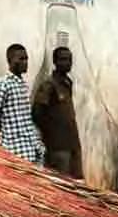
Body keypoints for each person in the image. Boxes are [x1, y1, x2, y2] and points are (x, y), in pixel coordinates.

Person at [0, 43, 43, 165]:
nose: (25, 62)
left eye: (26, 58)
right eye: (21, 59)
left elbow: (26, 120)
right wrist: (4, 130)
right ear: (11, 60)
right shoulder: (4, 84)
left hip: (29, 150)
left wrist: (37, 145)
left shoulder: (22, 85)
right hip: (14, 152)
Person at [31, 46, 83, 177]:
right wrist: (51, 132)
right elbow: (37, 113)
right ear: (55, 61)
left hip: (72, 143)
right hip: (57, 147)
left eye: (69, 60)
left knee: (77, 182)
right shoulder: (49, 85)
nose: (67, 63)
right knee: (62, 182)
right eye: (63, 59)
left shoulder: (67, 83)